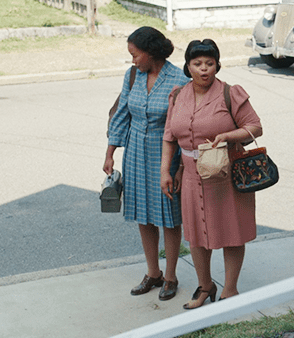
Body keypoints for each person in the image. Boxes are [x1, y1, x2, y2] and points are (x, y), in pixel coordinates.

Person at [161, 39, 263, 310]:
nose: (204, 69)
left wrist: (229, 135)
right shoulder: (177, 96)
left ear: (217, 64)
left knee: (232, 231)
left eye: (210, 63)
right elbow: (170, 137)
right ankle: (205, 285)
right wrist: (167, 171)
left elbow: (255, 126)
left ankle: (230, 290)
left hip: (226, 173)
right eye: (197, 64)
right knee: (196, 234)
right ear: (188, 66)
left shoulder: (231, 93)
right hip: (192, 176)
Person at [104, 26, 189, 301]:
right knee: (142, 213)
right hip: (135, 153)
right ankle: (153, 272)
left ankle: (171, 275)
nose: (132, 61)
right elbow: (121, 115)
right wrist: (110, 152)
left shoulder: (179, 79)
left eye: (135, 55)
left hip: (167, 153)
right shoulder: (132, 76)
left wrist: (178, 168)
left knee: (169, 216)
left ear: (151, 52)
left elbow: (185, 127)